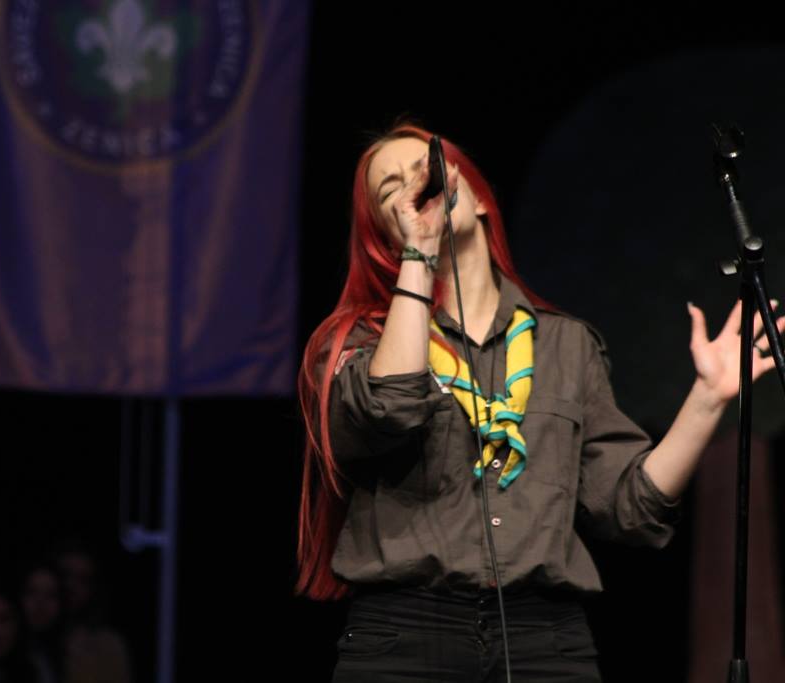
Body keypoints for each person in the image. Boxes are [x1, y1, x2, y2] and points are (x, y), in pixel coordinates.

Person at [294, 123, 783, 682]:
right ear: (384, 233)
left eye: (426, 171)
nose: (415, 186)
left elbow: (629, 506)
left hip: (543, 641)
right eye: (392, 189)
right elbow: (392, 403)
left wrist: (708, 398)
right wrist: (419, 252)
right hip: (405, 637)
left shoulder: (567, 344)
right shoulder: (358, 344)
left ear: (477, 196)